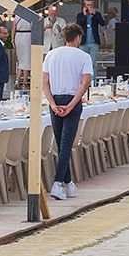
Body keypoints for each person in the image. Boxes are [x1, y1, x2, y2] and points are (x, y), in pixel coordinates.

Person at [41, 23, 93, 200]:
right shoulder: (84, 56)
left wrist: (52, 103)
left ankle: (69, 184)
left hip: (55, 99)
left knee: (61, 143)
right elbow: (85, 83)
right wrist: (72, 104)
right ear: (78, 37)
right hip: (72, 99)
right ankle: (57, 184)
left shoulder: (51, 54)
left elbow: (44, 82)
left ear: (64, 37)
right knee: (65, 144)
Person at [75, 0, 104, 69]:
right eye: (88, 5)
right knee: (82, 62)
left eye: (91, 5)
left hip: (94, 42)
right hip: (83, 42)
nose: (89, 7)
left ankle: (93, 79)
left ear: (93, 5)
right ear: (84, 6)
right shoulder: (80, 15)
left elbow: (102, 23)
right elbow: (78, 25)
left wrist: (95, 14)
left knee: (93, 63)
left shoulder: (97, 14)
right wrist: (84, 15)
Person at [13, 9, 32, 89]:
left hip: (18, 36)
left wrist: (12, 39)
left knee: (21, 60)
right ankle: (24, 82)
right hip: (27, 36)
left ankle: (17, 80)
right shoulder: (31, 16)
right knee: (27, 60)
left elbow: (13, 28)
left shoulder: (16, 16)